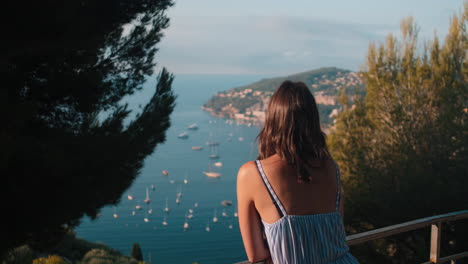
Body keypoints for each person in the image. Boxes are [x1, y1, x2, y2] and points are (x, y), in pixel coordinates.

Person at [236, 81, 359, 264]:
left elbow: (256, 255)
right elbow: (335, 234)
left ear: (273, 120)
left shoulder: (253, 173)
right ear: (313, 121)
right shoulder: (331, 167)